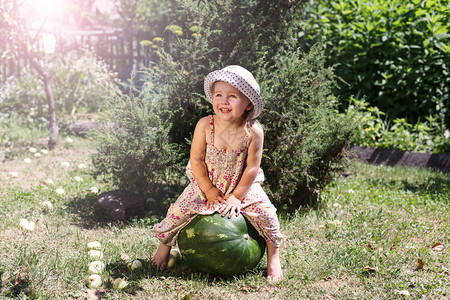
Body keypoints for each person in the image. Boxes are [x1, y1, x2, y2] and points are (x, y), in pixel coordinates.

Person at [151, 65, 283, 281]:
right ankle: (165, 245)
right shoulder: (205, 125)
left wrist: (237, 196)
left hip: (241, 186)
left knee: (267, 213)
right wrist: (208, 189)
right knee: (177, 211)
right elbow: (196, 160)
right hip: (206, 183)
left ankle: (273, 255)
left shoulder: (253, 131)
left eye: (232, 96)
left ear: (248, 103)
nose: (224, 101)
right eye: (219, 95)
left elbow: (252, 167)